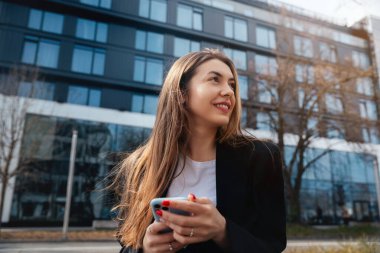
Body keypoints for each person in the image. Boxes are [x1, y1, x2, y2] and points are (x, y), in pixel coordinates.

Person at [110, 49, 286, 253]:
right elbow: (126, 245)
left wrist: (223, 231)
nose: (229, 91)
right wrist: (145, 250)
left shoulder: (261, 157)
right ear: (182, 93)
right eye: (214, 79)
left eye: (231, 84)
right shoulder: (138, 166)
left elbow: (273, 246)